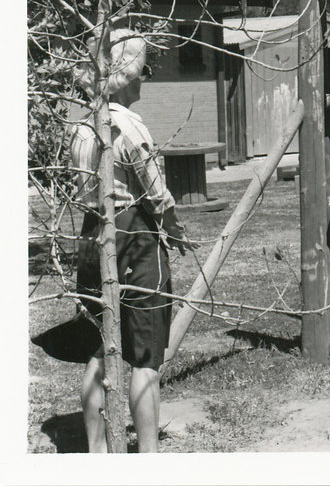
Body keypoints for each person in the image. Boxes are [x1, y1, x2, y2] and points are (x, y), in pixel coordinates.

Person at [70, 29, 197, 452]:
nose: (145, 79)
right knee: (145, 359)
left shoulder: (81, 127)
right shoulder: (125, 125)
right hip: (134, 240)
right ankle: (147, 458)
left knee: (97, 348)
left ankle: (97, 454)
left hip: (92, 238)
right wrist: (174, 229)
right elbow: (155, 191)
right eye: (143, 71)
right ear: (125, 74)